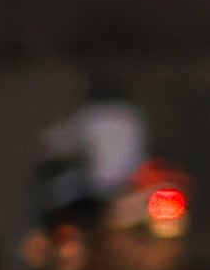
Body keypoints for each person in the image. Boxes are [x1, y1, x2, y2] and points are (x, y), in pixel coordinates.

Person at [36, 75, 146, 223]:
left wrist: (46, 145)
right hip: (133, 186)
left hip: (97, 186)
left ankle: (57, 234)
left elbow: (61, 143)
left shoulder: (91, 115)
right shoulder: (134, 115)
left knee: (55, 193)